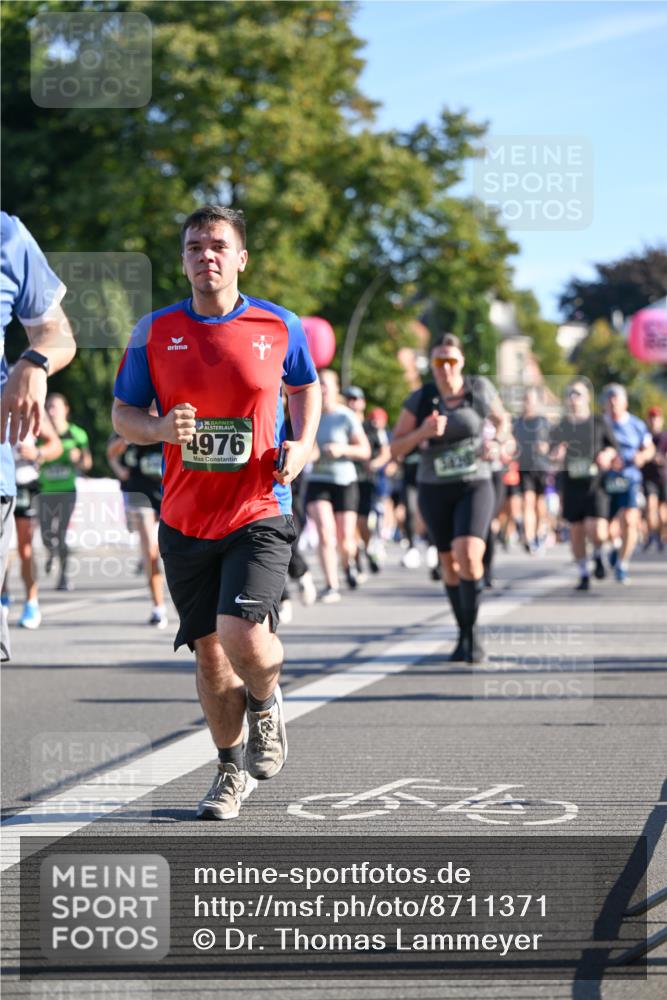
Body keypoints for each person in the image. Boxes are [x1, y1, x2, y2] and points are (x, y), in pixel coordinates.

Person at [112, 204, 320, 821]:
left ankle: (266, 699)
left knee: (242, 635)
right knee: (208, 653)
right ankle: (229, 772)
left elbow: (306, 387)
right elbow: (124, 414)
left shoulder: (279, 326)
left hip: (259, 507)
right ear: (183, 259)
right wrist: (157, 428)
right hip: (183, 516)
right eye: (195, 246)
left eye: (218, 246)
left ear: (240, 258)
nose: (207, 255)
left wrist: (303, 446)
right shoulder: (154, 331)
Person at [390, 333, 510, 663]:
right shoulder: (421, 398)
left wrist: (497, 442)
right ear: (432, 365)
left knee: (469, 552)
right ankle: (463, 633)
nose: (446, 368)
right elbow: (396, 448)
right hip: (434, 488)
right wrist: (422, 433)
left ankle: (473, 635)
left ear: (461, 362)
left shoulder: (479, 390)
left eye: (451, 361)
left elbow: (503, 422)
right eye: (439, 361)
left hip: (475, 483)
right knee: (448, 564)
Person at [1, 211, 76, 661]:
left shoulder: (8, 235)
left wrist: (32, 364)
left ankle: (30, 599)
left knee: (29, 546)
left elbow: (58, 335)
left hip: (10, 477)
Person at [305, 369, 370, 602]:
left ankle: (349, 560)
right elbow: (304, 446)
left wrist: (342, 449)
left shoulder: (346, 416)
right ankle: (331, 585)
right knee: (324, 530)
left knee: (345, 539)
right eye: (318, 384)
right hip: (318, 480)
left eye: (325, 384)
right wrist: (307, 453)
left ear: (336, 388)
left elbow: (365, 451)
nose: (321, 388)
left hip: (344, 480)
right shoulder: (309, 414)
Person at [107, 407, 168, 628]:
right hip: (140, 492)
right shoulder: (132, 420)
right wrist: (129, 439)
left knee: (172, 549)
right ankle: (158, 607)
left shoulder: (170, 420)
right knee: (149, 550)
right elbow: (111, 452)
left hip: (170, 492)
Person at [549, 381, 609, 591]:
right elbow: (552, 453)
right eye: (570, 394)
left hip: (596, 484)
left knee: (597, 530)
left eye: (578, 394)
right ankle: (584, 574)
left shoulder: (599, 422)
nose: (573, 398)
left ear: (587, 397)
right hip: (572, 484)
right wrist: (557, 454)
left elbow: (613, 447)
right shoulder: (562, 426)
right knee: (576, 531)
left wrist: (606, 454)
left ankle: (599, 555)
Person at [597, 384, 655, 584]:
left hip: (629, 478)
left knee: (629, 520)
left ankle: (622, 564)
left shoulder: (636, 424)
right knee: (604, 528)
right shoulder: (600, 424)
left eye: (616, 401)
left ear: (624, 403)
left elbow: (649, 449)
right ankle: (615, 546)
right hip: (605, 480)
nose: (613, 405)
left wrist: (641, 456)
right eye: (609, 401)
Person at [11, 415, 63, 628]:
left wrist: (37, 452)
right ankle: (3, 597)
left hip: (23, 482)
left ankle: (31, 602)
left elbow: (55, 445)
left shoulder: (30, 397)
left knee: (25, 548)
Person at [38, 393, 92, 591]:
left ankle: (63, 576)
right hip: (44, 491)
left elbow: (87, 463)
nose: (52, 411)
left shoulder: (77, 434)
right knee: (45, 535)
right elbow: (33, 458)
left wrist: (78, 458)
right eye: (49, 407)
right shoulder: (40, 433)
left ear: (65, 409)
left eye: (55, 407)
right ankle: (50, 552)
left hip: (67, 491)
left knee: (61, 534)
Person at [343, 387, 391, 576]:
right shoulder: (340, 422)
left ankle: (369, 549)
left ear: (362, 402)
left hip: (365, 481)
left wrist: (375, 464)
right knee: (348, 524)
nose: (351, 402)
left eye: (355, 398)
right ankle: (354, 565)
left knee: (362, 523)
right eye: (348, 398)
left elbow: (386, 451)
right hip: (344, 480)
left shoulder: (371, 427)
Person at [513, 387, 551, 553]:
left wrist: (547, 447)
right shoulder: (518, 422)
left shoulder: (543, 421)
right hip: (524, 466)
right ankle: (529, 539)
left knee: (540, 504)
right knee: (527, 502)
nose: (528, 403)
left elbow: (554, 441)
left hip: (541, 467)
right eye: (525, 399)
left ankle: (540, 532)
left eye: (531, 399)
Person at [641, 406, 667, 550]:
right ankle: (653, 535)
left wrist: (661, 459)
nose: (654, 421)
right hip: (648, 477)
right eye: (651, 417)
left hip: (663, 477)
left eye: (656, 418)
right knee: (650, 508)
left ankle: (661, 537)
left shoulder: (665, 436)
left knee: (663, 514)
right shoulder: (644, 436)